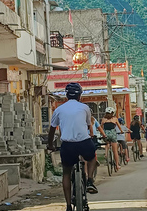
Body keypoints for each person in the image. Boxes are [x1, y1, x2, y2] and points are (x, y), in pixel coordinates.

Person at [47, 82, 98, 211]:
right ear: (80, 95)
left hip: (67, 145)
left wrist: (50, 145)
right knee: (91, 157)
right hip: (83, 142)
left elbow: (52, 129)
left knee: (66, 173)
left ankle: (69, 205)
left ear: (66, 95)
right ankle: (90, 180)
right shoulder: (85, 108)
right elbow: (87, 125)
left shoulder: (59, 109)